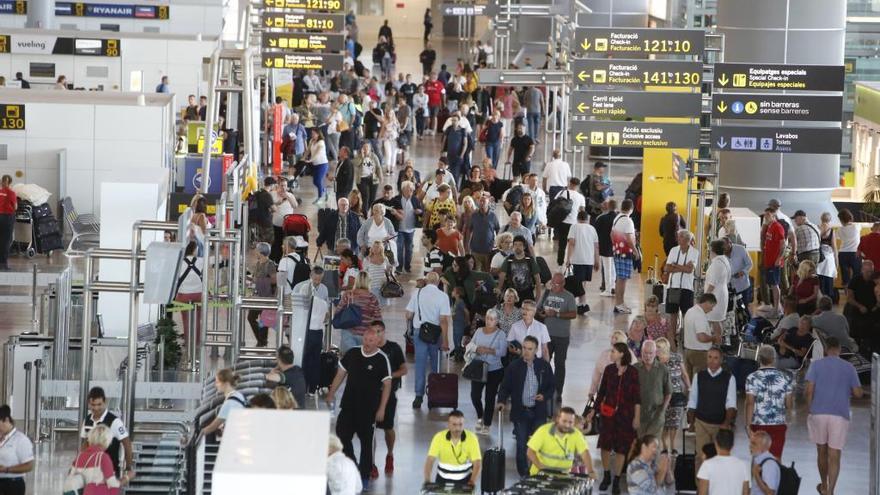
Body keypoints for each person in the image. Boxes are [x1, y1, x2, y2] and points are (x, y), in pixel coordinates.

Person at [325, 325, 393, 492]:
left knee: (366, 444)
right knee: (342, 435)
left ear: (377, 341)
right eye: (365, 339)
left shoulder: (382, 359)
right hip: (348, 405)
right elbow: (340, 374)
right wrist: (331, 393)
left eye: (371, 341)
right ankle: (353, 464)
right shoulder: (352, 353)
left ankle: (364, 476)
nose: (367, 343)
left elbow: (387, 385)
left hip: (369, 410)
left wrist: (382, 409)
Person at [805, 336, 864, 495]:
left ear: (825, 349)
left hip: (818, 413)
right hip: (839, 414)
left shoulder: (816, 365)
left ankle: (823, 484)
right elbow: (858, 393)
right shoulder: (849, 367)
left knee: (821, 452)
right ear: (839, 349)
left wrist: (810, 409)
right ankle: (831, 491)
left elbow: (809, 390)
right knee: (835, 454)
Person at [496, 336, 555, 477]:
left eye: (530, 349)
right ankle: (524, 474)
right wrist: (501, 401)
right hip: (521, 412)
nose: (526, 351)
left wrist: (544, 396)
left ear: (536, 350)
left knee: (539, 445)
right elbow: (505, 386)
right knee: (522, 445)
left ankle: (537, 472)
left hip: (539, 412)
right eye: (524, 348)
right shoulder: (514, 367)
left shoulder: (544, 366)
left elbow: (551, 386)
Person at [588, 342, 640, 495]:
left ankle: (617, 479)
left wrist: (636, 417)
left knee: (621, 449)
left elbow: (637, 397)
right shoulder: (609, 370)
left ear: (622, 354)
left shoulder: (633, 372)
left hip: (626, 415)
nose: (611, 353)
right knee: (605, 446)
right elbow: (602, 392)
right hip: (608, 415)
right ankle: (606, 475)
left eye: (614, 351)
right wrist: (593, 410)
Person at [687, 348, 737, 473]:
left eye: (715, 358)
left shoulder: (729, 378)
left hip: (719, 425)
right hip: (701, 422)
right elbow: (693, 400)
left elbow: (731, 404)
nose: (712, 361)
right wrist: (691, 422)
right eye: (709, 357)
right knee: (700, 456)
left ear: (721, 360)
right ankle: (701, 488)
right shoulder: (699, 376)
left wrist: (726, 424)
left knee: (719, 458)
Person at [406, 272, 452, 409]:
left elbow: (408, 314)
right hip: (436, 333)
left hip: (420, 332)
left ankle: (418, 396)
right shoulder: (443, 296)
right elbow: (444, 320)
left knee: (420, 364)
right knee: (435, 364)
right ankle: (434, 393)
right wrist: (445, 341)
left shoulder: (417, 293)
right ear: (438, 283)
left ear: (426, 281)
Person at [745, 345, 793, 460]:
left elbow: (750, 403)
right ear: (773, 359)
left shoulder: (752, 378)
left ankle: (758, 478)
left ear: (759, 359)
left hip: (758, 423)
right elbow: (789, 404)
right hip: (778, 423)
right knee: (776, 458)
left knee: (758, 458)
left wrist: (747, 425)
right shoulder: (785, 377)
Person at [371, 321, 407, 478]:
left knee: (388, 428)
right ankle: (371, 462)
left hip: (389, 394)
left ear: (384, 332)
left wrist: (389, 376)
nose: (377, 335)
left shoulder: (394, 348)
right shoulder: (368, 348)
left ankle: (390, 454)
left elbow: (404, 369)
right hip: (371, 395)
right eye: (374, 331)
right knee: (370, 430)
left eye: (379, 331)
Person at [537, 273, 577, 400]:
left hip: (562, 336)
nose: (554, 286)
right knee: (544, 362)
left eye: (557, 284)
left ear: (563, 283)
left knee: (559, 364)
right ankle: (543, 388)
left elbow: (573, 314)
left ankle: (558, 391)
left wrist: (557, 315)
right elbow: (539, 309)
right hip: (546, 335)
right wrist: (543, 314)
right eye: (553, 283)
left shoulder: (569, 296)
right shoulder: (547, 293)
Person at [468, 309, 507, 435]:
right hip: (479, 368)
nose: (490, 321)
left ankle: (487, 423)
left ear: (497, 321)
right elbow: (470, 345)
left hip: (494, 370)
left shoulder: (501, 334)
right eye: (488, 318)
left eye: (493, 319)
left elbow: (503, 352)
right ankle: (480, 416)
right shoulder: (479, 331)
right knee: (475, 395)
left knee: (489, 398)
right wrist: (477, 348)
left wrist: (489, 351)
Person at [527, 406, 596, 478]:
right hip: (540, 475)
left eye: (570, 422)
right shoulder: (543, 430)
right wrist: (541, 468)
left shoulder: (576, 434)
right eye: (564, 421)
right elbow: (530, 452)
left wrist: (591, 471)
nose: (567, 425)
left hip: (563, 476)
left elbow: (585, 453)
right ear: (557, 419)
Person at [80, 387, 133, 478]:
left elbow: (127, 444)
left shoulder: (114, 421)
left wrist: (128, 467)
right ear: (89, 404)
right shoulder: (87, 420)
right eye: (93, 405)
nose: (96, 408)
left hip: (109, 470)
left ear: (104, 402)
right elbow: (85, 443)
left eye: (99, 404)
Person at [423, 410, 482, 489]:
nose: (457, 428)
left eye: (460, 424)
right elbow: (430, 460)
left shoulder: (472, 438)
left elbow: (477, 463)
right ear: (448, 425)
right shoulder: (439, 437)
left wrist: (472, 482)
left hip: (464, 481)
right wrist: (427, 480)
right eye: (454, 424)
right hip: (442, 480)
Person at [72, 424, 131, 495]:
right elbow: (113, 484)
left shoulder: (79, 457)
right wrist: (127, 477)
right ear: (107, 440)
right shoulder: (103, 457)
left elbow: (72, 477)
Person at [656, 337, 690, 453]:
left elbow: (684, 375)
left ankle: (673, 446)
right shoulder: (654, 362)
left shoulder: (676, 358)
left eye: (659, 348)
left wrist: (689, 388)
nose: (657, 351)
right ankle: (665, 447)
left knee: (674, 423)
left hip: (676, 394)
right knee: (663, 423)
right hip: (660, 396)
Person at [336, 272, 383, 354]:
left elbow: (338, 312)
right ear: (368, 282)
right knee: (363, 361)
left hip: (348, 333)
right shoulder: (372, 298)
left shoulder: (348, 294)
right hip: (366, 336)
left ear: (356, 281)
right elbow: (378, 319)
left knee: (349, 361)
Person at [665, 229, 699, 337]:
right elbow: (667, 268)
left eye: (680, 237)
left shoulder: (694, 252)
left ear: (687, 239)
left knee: (687, 315)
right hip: (673, 286)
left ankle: (687, 338)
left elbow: (690, 270)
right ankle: (672, 337)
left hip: (687, 287)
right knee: (673, 314)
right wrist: (683, 267)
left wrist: (675, 265)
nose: (677, 239)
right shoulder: (673, 250)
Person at [565, 210, 600, 313]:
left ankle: (581, 304)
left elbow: (571, 243)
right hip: (589, 260)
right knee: (582, 282)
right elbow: (596, 246)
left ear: (577, 218)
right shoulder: (592, 229)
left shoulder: (574, 227)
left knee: (576, 282)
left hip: (577, 259)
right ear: (587, 219)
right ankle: (581, 304)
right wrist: (597, 260)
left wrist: (568, 259)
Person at [695, 429, 750, 495]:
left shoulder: (707, 465)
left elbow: (702, 493)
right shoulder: (743, 465)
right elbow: (746, 493)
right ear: (732, 445)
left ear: (716, 443)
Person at [635, 340, 671, 440]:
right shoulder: (635, 369)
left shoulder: (662, 369)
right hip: (640, 416)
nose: (647, 356)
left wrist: (662, 411)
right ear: (641, 352)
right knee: (641, 447)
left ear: (655, 353)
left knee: (653, 446)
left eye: (650, 353)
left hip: (656, 416)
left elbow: (668, 392)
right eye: (645, 353)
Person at [246, 243, 277, 347]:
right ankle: (261, 340)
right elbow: (255, 277)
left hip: (266, 297)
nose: (255, 252)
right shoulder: (258, 263)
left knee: (263, 320)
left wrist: (258, 280)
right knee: (251, 317)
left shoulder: (270, 264)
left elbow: (274, 280)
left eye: (257, 250)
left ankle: (262, 341)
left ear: (261, 252)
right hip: (258, 295)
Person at [202, 369, 246, 440]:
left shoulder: (230, 402)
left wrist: (199, 435)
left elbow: (213, 427)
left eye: (217, 382)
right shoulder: (238, 395)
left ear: (226, 383)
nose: (215, 385)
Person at [612, 199, 639, 314]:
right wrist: (635, 251)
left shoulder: (617, 218)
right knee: (622, 279)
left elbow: (611, 234)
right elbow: (628, 239)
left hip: (617, 251)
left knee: (620, 279)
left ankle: (619, 303)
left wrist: (615, 245)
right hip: (625, 253)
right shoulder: (628, 221)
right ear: (631, 209)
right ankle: (619, 304)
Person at [390, 181, 423, 273]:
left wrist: (419, 211)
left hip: (410, 228)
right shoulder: (396, 199)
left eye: (412, 190)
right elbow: (390, 212)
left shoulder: (415, 200)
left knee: (409, 249)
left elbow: (421, 210)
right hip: (399, 229)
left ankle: (407, 266)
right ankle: (399, 267)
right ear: (403, 190)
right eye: (409, 189)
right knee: (399, 248)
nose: (411, 191)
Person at [683, 293, 720, 377]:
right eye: (712, 306)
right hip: (699, 353)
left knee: (689, 382)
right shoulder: (700, 315)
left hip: (688, 351)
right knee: (700, 382)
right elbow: (701, 337)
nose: (712, 309)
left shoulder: (690, 311)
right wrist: (714, 338)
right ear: (707, 302)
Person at [0, 405, 33, 495]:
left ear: (6, 420)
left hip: (13, 484)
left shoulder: (21, 440)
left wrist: (6, 469)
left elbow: (29, 466)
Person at [497, 235, 542, 303]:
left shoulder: (530, 260)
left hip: (527, 293)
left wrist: (538, 297)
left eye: (520, 245)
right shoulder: (509, 260)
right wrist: (499, 291)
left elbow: (537, 279)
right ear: (513, 246)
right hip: (512, 293)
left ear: (524, 247)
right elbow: (502, 277)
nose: (517, 247)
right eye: (515, 245)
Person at [554, 177, 586, 266]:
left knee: (562, 245)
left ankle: (560, 265)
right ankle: (571, 262)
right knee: (573, 245)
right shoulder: (581, 197)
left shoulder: (562, 193)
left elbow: (554, 203)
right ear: (578, 186)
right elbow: (582, 211)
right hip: (574, 224)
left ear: (569, 183)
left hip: (562, 222)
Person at [761, 208, 787, 316]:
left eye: (768, 215)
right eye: (765, 214)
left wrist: (779, 259)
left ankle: (777, 310)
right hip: (769, 261)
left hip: (774, 262)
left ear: (774, 215)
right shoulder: (769, 227)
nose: (765, 216)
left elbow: (783, 245)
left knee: (775, 285)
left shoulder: (778, 227)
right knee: (772, 285)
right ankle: (777, 307)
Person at [704, 240, 731, 336]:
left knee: (715, 321)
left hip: (715, 296)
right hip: (721, 293)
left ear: (713, 250)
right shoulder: (724, 260)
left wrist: (705, 298)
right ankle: (716, 343)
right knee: (716, 320)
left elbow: (712, 284)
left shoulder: (717, 264)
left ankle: (716, 344)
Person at [466, 195, 500, 271]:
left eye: (483, 201)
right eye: (480, 201)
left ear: (488, 203)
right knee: (476, 273)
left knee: (487, 272)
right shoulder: (474, 215)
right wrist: (467, 245)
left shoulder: (493, 216)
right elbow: (469, 229)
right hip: (475, 250)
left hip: (488, 250)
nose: (481, 203)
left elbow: (498, 230)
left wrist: (498, 244)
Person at [725, 236, 753, 318]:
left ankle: (748, 327)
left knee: (744, 309)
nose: (724, 250)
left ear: (730, 244)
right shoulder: (721, 252)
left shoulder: (740, 249)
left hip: (742, 285)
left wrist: (742, 272)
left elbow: (750, 264)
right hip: (729, 286)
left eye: (725, 247)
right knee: (730, 311)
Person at [595, 199, 618, 296]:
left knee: (607, 268)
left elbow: (596, 233)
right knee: (613, 268)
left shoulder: (601, 218)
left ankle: (608, 290)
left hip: (605, 246)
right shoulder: (618, 218)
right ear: (616, 207)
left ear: (608, 207)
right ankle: (612, 287)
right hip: (616, 246)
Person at [749, 430, 781, 495]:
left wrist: (756, 474)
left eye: (754, 443)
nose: (750, 446)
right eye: (750, 443)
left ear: (763, 447)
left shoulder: (769, 465)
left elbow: (770, 493)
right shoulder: (759, 460)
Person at [836, 209, 860, 286]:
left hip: (843, 253)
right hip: (855, 253)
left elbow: (837, 237)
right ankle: (856, 294)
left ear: (841, 219)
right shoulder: (857, 226)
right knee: (857, 275)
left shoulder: (839, 229)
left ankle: (847, 296)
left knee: (845, 277)